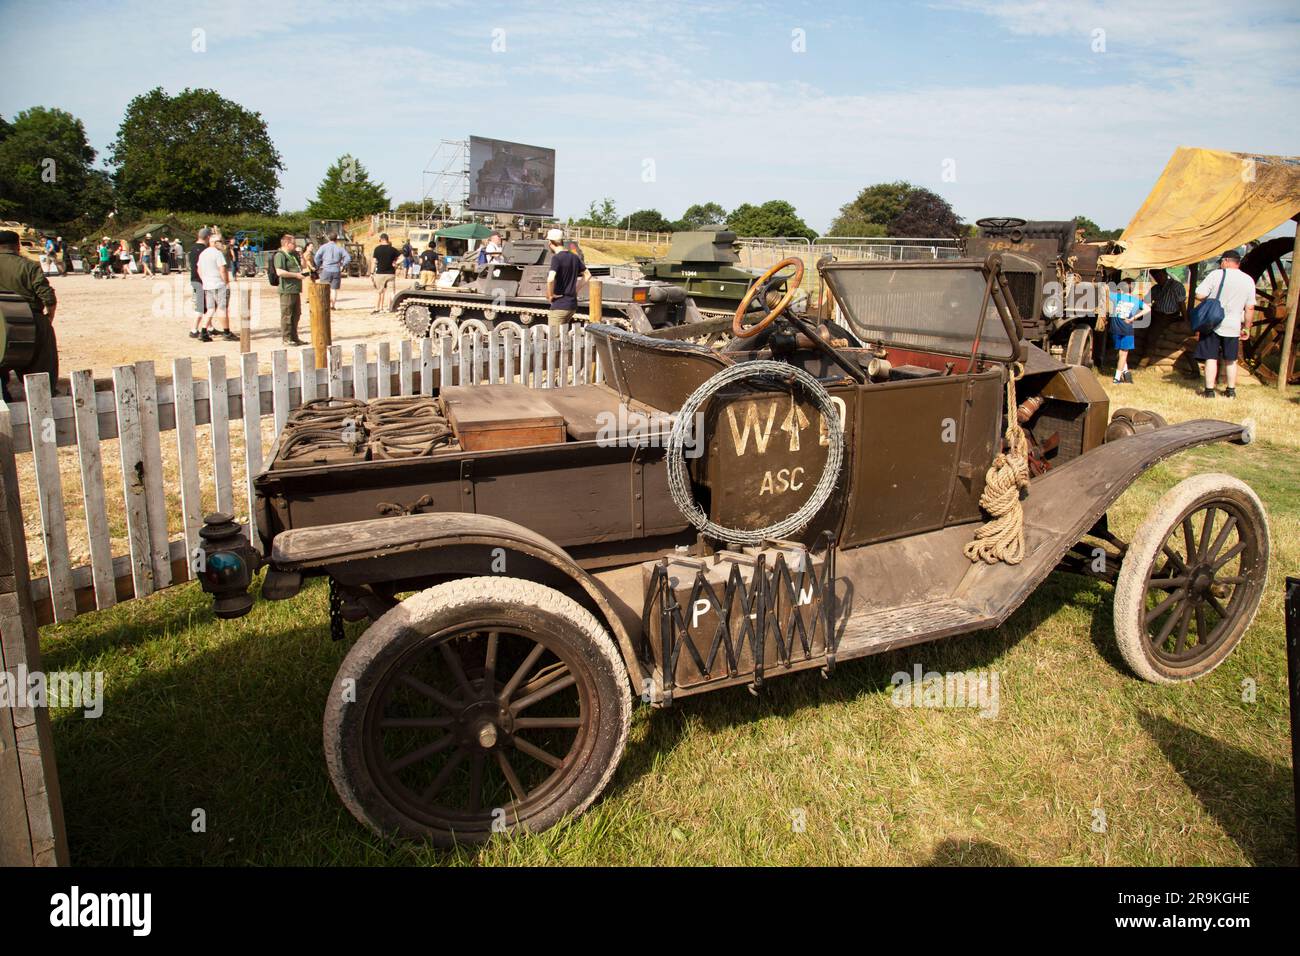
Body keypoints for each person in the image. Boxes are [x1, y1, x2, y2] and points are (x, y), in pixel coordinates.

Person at [0, 229, 58, 400]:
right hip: (30, 318)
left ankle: (4, 397)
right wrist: (48, 318)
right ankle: (42, 398)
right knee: (42, 366)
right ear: (17, 246)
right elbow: (48, 297)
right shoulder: (28, 266)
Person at [1193, 249, 1256, 399]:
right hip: (1234, 324)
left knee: (1211, 357)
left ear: (1226, 261)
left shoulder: (1216, 275)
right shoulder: (1248, 280)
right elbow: (1250, 307)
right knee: (1231, 359)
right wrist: (1246, 328)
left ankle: (1209, 391)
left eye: (1221, 261)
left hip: (1213, 322)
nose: (1220, 264)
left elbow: (1199, 294)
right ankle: (1231, 390)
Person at [545, 227, 588, 331]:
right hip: (572, 305)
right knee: (563, 337)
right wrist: (576, 290)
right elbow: (587, 274)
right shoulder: (574, 257)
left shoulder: (556, 258)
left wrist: (550, 295)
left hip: (560, 305)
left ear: (550, 243)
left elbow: (550, 279)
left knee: (554, 339)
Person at [1107, 277, 1148, 384]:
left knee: (1120, 352)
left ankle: (1126, 373)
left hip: (1115, 328)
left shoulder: (1116, 297)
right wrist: (1133, 318)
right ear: (1133, 289)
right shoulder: (1136, 301)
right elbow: (1148, 309)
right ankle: (1117, 378)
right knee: (1123, 354)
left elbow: (1104, 290)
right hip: (1127, 328)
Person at [272, 233, 307, 346]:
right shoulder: (280, 255)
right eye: (294, 243)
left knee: (296, 314)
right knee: (287, 315)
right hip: (287, 289)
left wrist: (301, 255)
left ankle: (294, 337)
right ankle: (286, 338)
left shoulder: (294, 255)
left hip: (295, 289)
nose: (296, 245)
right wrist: (296, 275)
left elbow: (303, 266)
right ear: (287, 243)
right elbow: (280, 272)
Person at [1144, 268, 1185, 361]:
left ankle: (1145, 360)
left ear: (1164, 273)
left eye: (1158, 275)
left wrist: (1185, 320)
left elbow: (1182, 304)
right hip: (1156, 314)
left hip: (1169, 316)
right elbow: (1146, 302)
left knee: (1152, 336)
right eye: (1154, 276)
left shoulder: (1176, 286)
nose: (1156, 278)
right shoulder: (1156, 288)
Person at [313, 233, 350, 309]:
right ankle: (332, 305)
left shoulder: (323, 247)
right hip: (336, 269)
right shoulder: (340, 248)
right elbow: (348, 258)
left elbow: (316, 257)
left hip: (326, 269)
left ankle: (324, 304)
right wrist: (342, 264)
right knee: (334, 289)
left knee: (324, 288)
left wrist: (319, 264)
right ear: (336, 239)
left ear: (329, 238)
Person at [370, 233, 401, 313]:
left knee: (379, 292)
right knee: (392, 292)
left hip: (380, 273)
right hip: (390, 273)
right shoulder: (392, 249)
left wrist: (371, 273)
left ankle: (377, 308)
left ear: (381, 239)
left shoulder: (377, 249)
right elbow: (403, 257)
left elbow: (373, 262)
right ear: (388, 240)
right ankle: (391, 308)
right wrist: (396, 263)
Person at [189, 227, 212, 333]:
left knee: (207, 305)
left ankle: (209, 327)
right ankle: (193, 330)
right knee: (201, 306)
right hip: (201, 280)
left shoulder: (193, 248)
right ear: (208, 237)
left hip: (195, 279)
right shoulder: (205, 250)